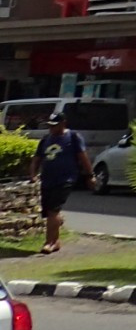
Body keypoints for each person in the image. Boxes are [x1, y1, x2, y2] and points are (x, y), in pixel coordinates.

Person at [28, 109, 93, 254]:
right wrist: (33, 174)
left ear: (63, 123)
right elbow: (36, 159)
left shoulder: (73, 137)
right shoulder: (45, 140)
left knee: (53, 209)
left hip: (66, 179)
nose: (51, 128)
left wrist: (90, 175)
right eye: (50, 125)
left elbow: (83, 157)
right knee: (49, 212)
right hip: (47, 179)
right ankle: (56, 241)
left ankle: (48, 243)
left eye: (54, 125)